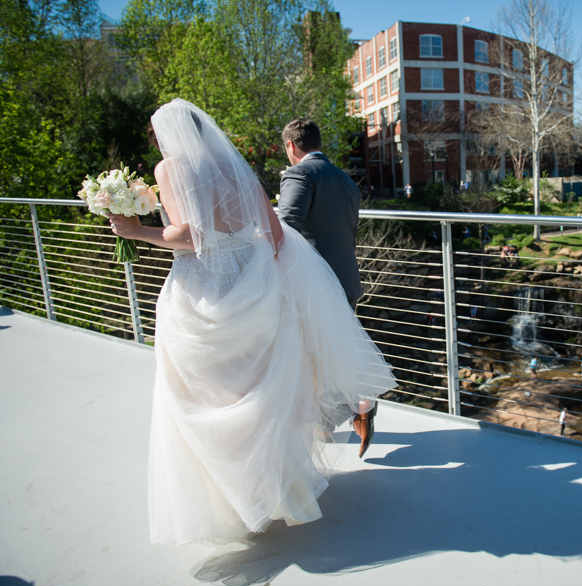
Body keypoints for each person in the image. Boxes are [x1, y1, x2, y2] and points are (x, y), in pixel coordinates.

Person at [109, 99, 396, 545]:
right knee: (261, 390)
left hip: (204, 286)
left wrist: (135, 232)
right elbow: (277, 234)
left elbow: (189, 236)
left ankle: (236, 501)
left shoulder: (170, 169)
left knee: (206, 392)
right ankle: (282, 493)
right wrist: (265, 277)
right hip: (254, 279)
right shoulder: (233, 166)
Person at [280, 117, 380, 456]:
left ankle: (355, 405)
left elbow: (285, 229)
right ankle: (343, 413)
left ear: (291, 146)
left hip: (313, 286)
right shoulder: (345, 180)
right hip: (347, 280)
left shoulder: (299, 174)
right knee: (331, 354)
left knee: (310, 357)